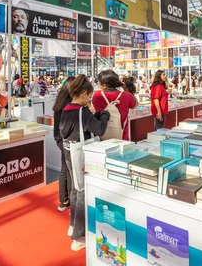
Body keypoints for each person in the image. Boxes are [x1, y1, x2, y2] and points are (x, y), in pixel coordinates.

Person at [59, 75, 110, 251]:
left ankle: (73, 225)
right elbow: (100, 129)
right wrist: (104, 116)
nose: (89, 99)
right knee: (82, 193)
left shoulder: (66, 109)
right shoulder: (83, 111)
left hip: (69, 153)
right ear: (83, 93)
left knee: (75, 189)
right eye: (89, 96)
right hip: (81, 155)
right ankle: (78, 237)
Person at [92, 70, 138, 141]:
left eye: (98, 82)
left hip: (102, 134)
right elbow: (135, 105)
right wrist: (125, 89)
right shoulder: (126, 95)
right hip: (122, 134)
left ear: (104, 85)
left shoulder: (97, 95)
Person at [52, 76, 75, 213]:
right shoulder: (70, 104)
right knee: (71, 171)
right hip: (69, 141)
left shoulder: (60, 102)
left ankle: (64, 200)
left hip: (60, 139)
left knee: (64, 170)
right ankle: (71, 200)